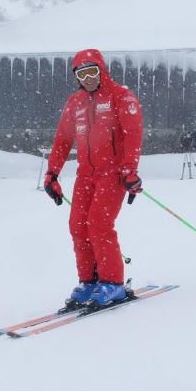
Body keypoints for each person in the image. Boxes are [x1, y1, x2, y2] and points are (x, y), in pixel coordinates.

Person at [43, 49, 143, 308]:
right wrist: (52, 173)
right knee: (78, 225)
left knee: (98, 224)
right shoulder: (75, 102)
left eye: (92, 72)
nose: (88, 78)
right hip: (85, 175)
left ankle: (113, 284)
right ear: (76, 77)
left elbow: (133, 134)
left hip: (113, 175)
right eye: (81, 74)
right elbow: (63, 140)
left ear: (102, 70)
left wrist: (129, 170)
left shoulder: (121, 97)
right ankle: (89, 281)